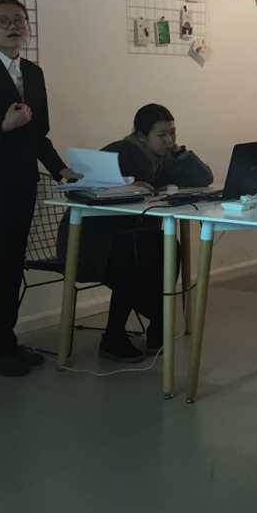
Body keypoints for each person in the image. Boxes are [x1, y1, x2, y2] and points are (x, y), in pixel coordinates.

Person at [0, 0, 81, 377]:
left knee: (11, 265)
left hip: (23, 183)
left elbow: (38, 134)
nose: (13, 26)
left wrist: (61, 170)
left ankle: (7, 342)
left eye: (19, 20)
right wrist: (1, 126)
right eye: (2, 21)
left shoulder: (33, 73)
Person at [57, 104, 213, 361]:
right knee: (135, 256)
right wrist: (126, 187)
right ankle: (118, 335)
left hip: (126, 239)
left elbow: (204, 178)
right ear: (141, 136)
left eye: (173, 133)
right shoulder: (119, 152)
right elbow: (79, 186)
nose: (169, 140)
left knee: (166, 248)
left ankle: (156, 326)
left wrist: (181, 153)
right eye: (162, 135)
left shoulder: (164, 157)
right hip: (88, 243)